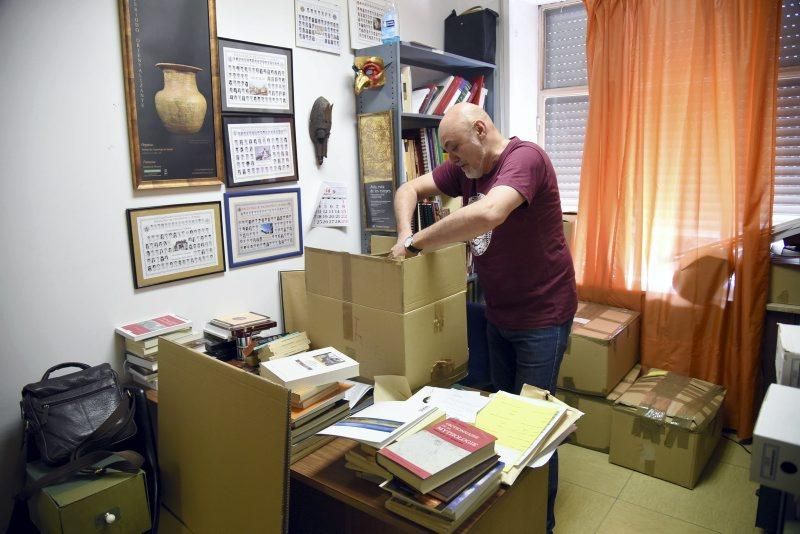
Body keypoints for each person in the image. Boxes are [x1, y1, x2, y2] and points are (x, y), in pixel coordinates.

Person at [389, 102, 577, 533]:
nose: (451, 161)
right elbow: (408, 190)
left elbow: (489, 213)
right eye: (447, 153)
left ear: (480, 129)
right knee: (500, 416)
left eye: (455, 149)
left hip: (542, 316)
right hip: (500, 312)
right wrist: (403, 234)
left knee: (535, 426)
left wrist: (416, 244)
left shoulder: (523, 159)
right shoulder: (465, 170)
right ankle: (506, 514)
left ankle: (537, 524)